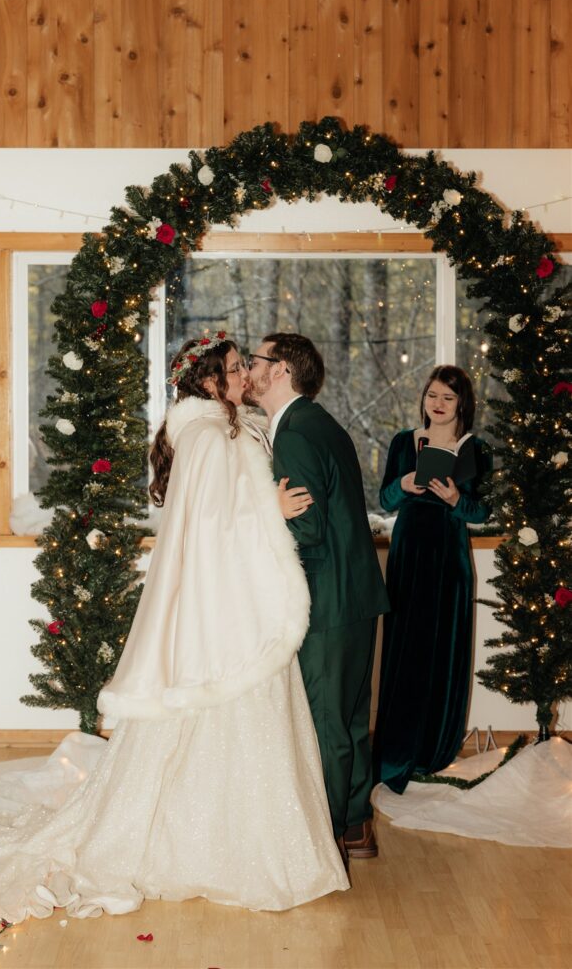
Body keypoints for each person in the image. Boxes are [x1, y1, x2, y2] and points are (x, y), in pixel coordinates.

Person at [0, 334, 348, 925]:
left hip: (243, 601)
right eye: (235, 369)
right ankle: (211, 849)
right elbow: (209, 528)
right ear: (209, 380)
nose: (244, 377)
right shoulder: (208, 436)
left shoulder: (227, 427)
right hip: (227, 611)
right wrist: (272, 511)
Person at [247, 333, 390, 863]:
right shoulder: (320, 423)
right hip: (355, 594)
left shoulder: (297, 434)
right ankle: (355, 827)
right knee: (350, 720)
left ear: (281, 369)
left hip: (328, 600)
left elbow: (303, 529)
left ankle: (323, 841)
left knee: (327, 724)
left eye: (257, 360)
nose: (250, 369)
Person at [373, 365, 492, 794]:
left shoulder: (475, 449)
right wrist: (405, 483)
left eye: (447, 398)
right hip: (409, 552)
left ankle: (434, 750)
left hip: (449, 558)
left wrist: (458, 499)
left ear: (462, 404)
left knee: (443, 649)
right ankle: (397, 750)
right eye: (432, 396)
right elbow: (384, 500)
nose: (437, 405)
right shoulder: (404, 442)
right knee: (406, 648)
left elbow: (482, 512)